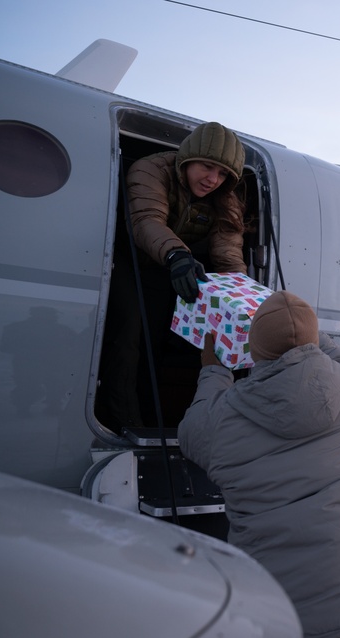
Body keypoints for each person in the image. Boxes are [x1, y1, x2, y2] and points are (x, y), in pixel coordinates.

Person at [178, 291, 340, 638]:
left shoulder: (219, 422)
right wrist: (304, 333)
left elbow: (190, 433)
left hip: (285, 630)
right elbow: (336, 355)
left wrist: (213, 369)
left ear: (254, 349)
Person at [99, 120, 247, 433]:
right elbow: (145, 220)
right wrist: (178, 255)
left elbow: (228, 253)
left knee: (151, 345)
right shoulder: (150, 170)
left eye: (222, 174)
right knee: (125, 337)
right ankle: (122, 420)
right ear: (187, 158)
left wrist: (239, 296)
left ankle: (151, 418)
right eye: (207, 166)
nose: (212, 179)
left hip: (165, 269)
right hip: (130, 260)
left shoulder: (225, 200)